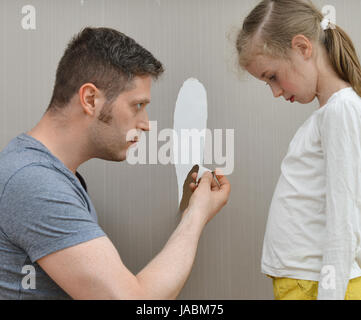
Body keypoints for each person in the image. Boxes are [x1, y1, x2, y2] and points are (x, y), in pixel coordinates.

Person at [0, 27, 230, 299]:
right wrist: (197, 215)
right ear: (90, 99)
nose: (145, 124)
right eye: (137, 105)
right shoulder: (34, 183)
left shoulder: (44, 172)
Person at [236, 0, 361, 300]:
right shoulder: (329, 114)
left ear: (303, 48)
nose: (276, 92)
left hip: (318, 285)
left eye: (272, 76)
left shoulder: (340, 111)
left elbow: (344, 218)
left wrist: (330, 293)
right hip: (305, 282)